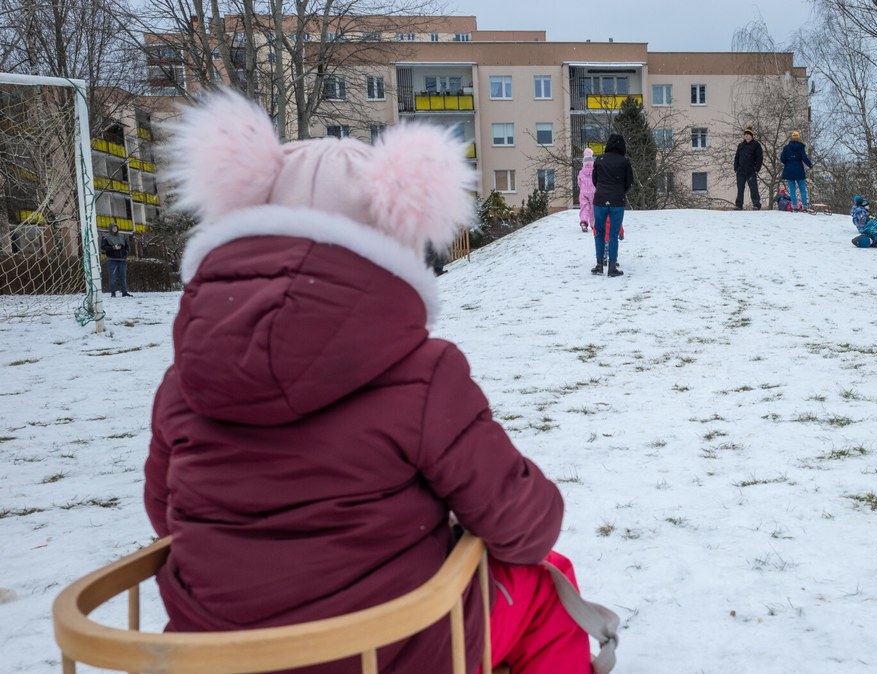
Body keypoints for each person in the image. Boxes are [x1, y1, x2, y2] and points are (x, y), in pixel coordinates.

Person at [145, 91, 602, 674]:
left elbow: (166, 513)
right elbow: (520, 524)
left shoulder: (183, 383)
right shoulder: (422, 374)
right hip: (388, 648)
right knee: (547, 581)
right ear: (397, 234)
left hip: (219, 653)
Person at [591, 133, 632, 278]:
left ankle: (599, 265)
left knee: (599, 233)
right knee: (613, 235)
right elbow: (629, 183)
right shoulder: (625, 161)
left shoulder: (599, 160)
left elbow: (594, 180)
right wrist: (620, 191)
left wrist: (603, 189)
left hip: (600, 200)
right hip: (617, 200)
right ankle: (612, 267)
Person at [779, 131, 814, 212]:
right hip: (799, 170)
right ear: (798, 138)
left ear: (791, 138)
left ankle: (794, 207)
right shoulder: (801, 147)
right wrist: (810, 165)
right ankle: (805, 206)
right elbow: (804, 158)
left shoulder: (786, 148)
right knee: (802, 189)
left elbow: (782, 159)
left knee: (792, 190)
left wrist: (788, 163)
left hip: (789, 170)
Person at [733, 126, 764, 211]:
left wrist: (756, 169)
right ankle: (739, 205)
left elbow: (759, 158)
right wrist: (736, 167)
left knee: (753, 188)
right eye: (745, 134)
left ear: (751, 136)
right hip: (740, 171)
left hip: (751, 171)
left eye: (748, 134)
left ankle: (756, 204)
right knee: (740, 189)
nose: (746, 136)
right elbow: (737, 157)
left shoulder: (756, 145)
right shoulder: (741, 145)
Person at [101, 223, 132, 297]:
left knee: (123, 277)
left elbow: (127, 247)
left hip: (122, 260)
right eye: (113, 228)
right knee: (112, 277)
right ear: (110, 228)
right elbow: (103, 247)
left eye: (116, 228)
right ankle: (113, 292)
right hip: (112, 259)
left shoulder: (122, 236)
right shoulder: (105, 237)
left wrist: (126, 252)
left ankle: (124, 292)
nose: (115, 229)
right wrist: (113, 247)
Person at [577, 148, 595, 233]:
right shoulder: (594, 171)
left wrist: (582, 189)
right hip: (593, 192)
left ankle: (584, 222)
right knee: (593, 207)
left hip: (583, 192)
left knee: (584, 207)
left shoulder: (581, 172)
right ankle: (593, 224)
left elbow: (579, 182)